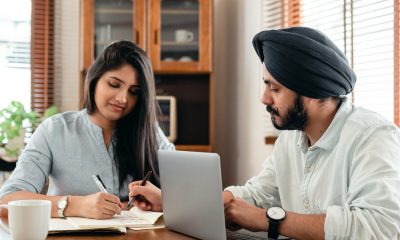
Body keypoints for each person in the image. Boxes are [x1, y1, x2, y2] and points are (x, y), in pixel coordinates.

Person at [127, 27, 400, 239]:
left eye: (275, 88)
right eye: (265, 85)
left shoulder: (373, 135)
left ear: (312, 91)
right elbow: (258, 195)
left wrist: (268, 220)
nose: (264, 98)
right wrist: (174, 203)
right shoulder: (291, 139)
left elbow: (381, 227)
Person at [0, 40, 174, 219]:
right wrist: (75, 205)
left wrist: (165, 200)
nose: (123, 99)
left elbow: (192, 196)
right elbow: (6, 200)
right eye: (114, 84)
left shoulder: (150, 134)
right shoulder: (54, 130)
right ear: (95, 79)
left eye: (134, 92)